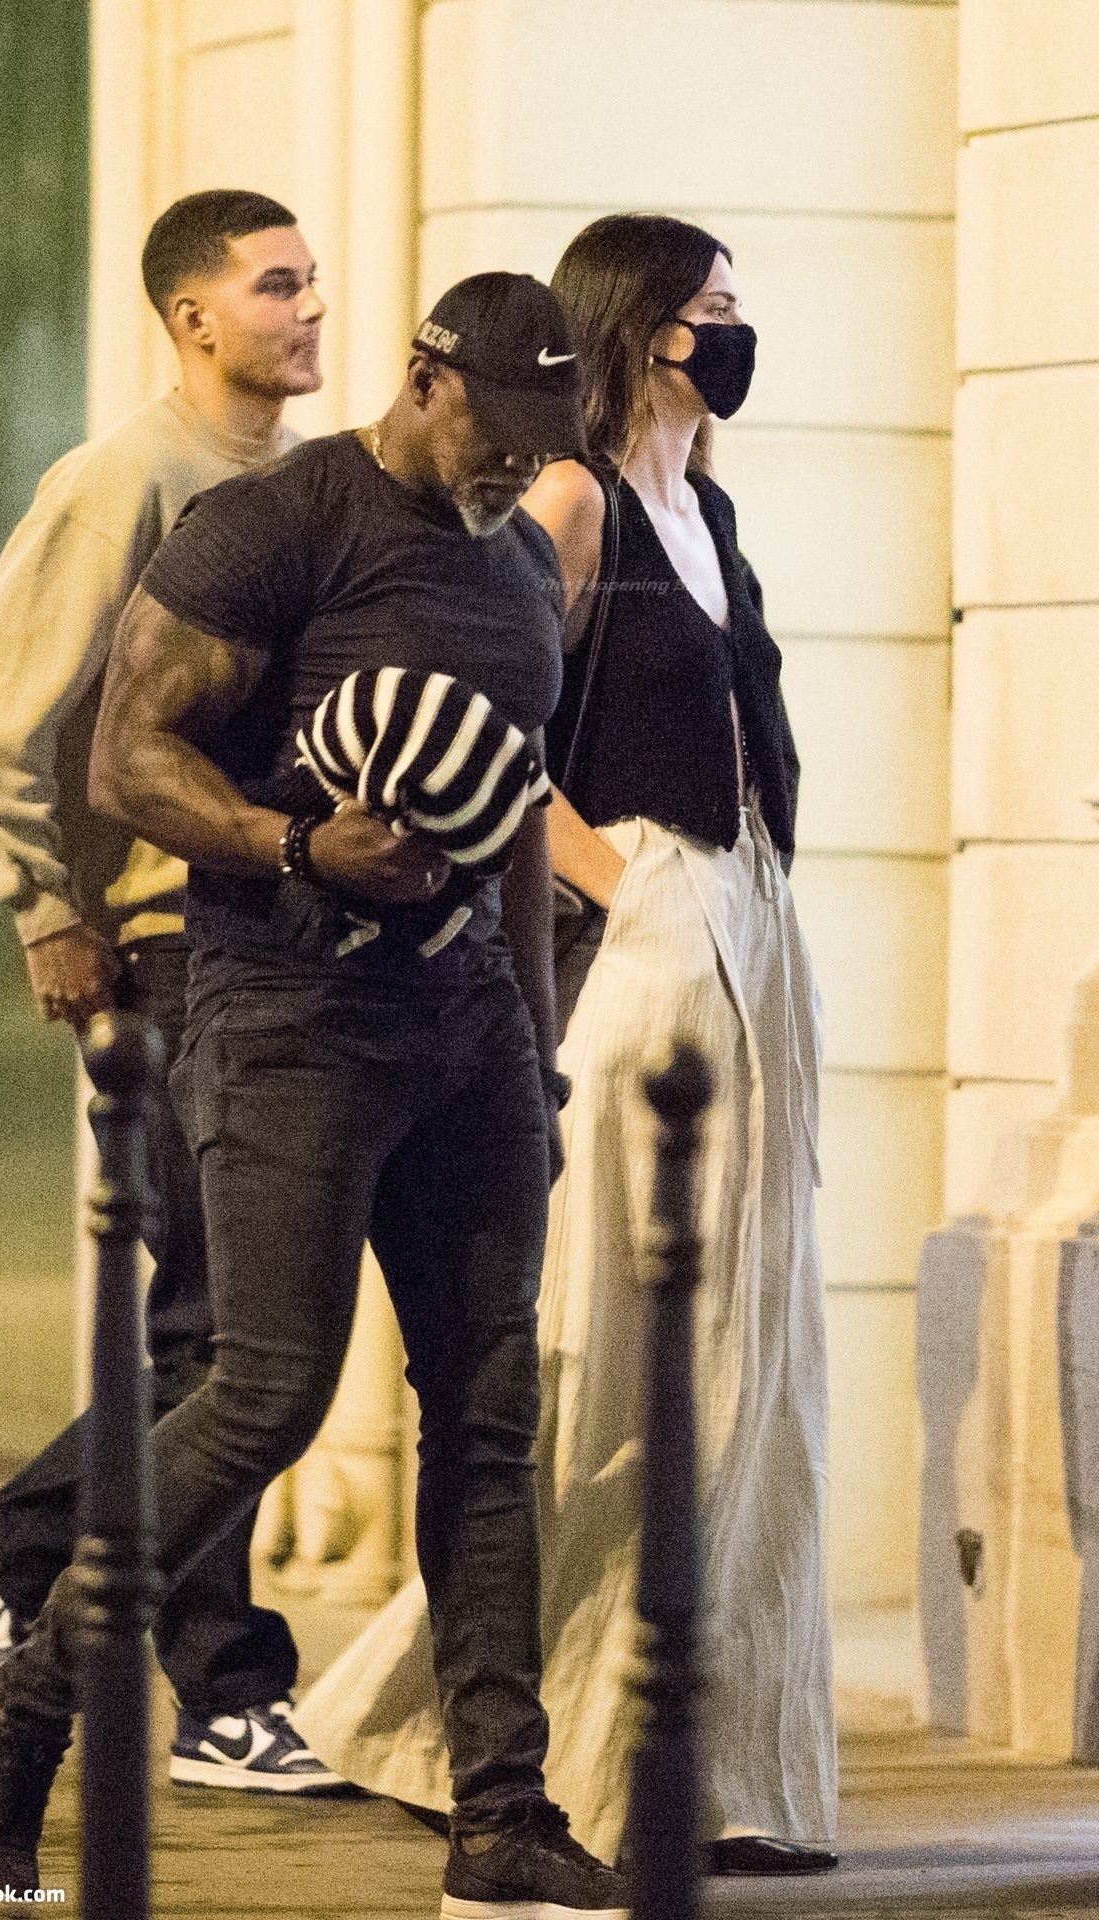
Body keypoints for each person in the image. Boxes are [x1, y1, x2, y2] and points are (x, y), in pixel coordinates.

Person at [0, 270, 632, 1920]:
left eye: (542, 443)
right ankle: (27, 1704)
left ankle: (503, 1819)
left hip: (470, 1034)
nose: (512, 466)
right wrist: (297, 843)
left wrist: (535, 1060)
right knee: (264, 1394)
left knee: (487, 1417)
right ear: (426, 380)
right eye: (495, 430)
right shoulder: (276, 526)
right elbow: (125, 756)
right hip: (287, 1014)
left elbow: (516, 817)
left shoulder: (519, 565)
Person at [293, 212, 839, 1875]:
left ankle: (707, 1759)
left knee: (746, 1357)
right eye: (709, 310)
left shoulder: (709, 508)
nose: (730, 336)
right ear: (638, 325)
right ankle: (507, 1738)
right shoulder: (574, 500)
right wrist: (628, 882)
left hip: (754, 916)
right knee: (622, 1338)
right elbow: (490, 739)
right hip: (652, 929)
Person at [0, 188, 343, 1794]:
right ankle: (219, 1686)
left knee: (230, 1331)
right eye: (279, 286)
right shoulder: (125, 480)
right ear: (193, 317)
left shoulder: (307, 485)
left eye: (311, 283)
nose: (311, 310)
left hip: (272, 940)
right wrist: (45, 912)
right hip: (162, 944)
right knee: (224, 1335)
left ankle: (14, 1552)